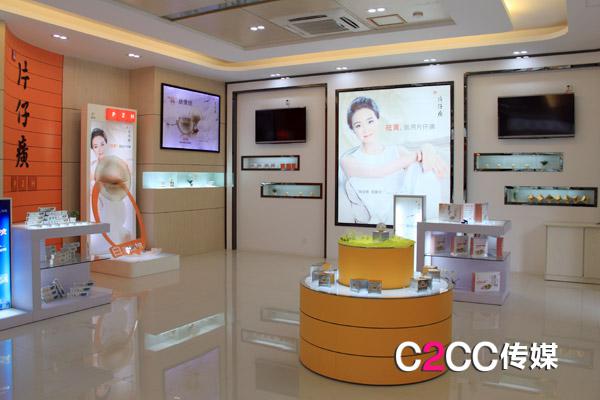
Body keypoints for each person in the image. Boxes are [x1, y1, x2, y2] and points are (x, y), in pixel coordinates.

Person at [340, 96, 448, 224]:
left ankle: (433, 224)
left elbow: (425, 164)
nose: (366, 129)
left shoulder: (396, 151)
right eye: (358, 125)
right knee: (419, 163)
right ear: (353, 130)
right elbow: (377, 172)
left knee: (421, 168)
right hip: (384, 218)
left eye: (370, 121)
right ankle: (431, 224)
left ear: (378, 120)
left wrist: (428, 148)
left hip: (406, 208)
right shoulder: (348, 160)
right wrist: (416, 155)